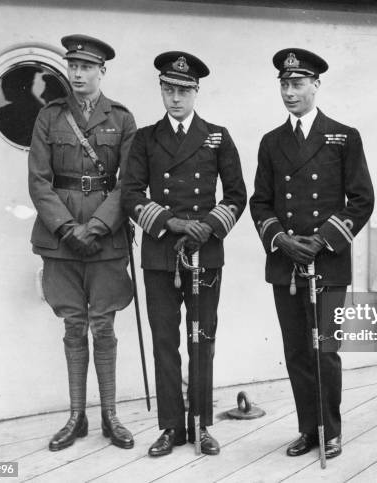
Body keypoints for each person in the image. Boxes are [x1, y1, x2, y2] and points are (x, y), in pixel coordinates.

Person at [249, 48, 374, 459]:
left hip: (328, 261)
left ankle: (330, 430)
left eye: (298, 83)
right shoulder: (271, 142)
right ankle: (308, 429)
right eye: (284, 84)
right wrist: (281, 239)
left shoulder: (343, 136)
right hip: (286, 263)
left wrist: (322, 240)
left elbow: (361, 200)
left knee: (325, 350)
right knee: (297, 351)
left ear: (315, 86)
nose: (290, 92)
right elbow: (260, 202)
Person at [121, 51, 246, 457]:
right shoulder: (144, 138)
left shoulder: (218, 136)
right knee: (164, 341)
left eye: (183, 91)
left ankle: (202, 424)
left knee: (202, 339)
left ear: (196, 92)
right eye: (168, 90)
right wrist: (172, 223)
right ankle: (172, 426)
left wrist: (207, 226)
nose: (175, 98)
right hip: (161, 252)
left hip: (205, 252)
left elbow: (237, 194)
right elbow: (132, 193)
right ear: (160, 89)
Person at [28, 34, 136, 451]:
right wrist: (68, 229)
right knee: (74, 325)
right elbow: (39, 180)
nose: (77, 73)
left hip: (105, 239)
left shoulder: (123, 119)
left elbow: (130, 182)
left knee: (103, 324)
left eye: (86, 67)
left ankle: (110, 414)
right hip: (60, 239)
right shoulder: (49, 116)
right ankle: (77, 416)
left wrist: (97, 227)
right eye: (73, 65)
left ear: (101, 71)